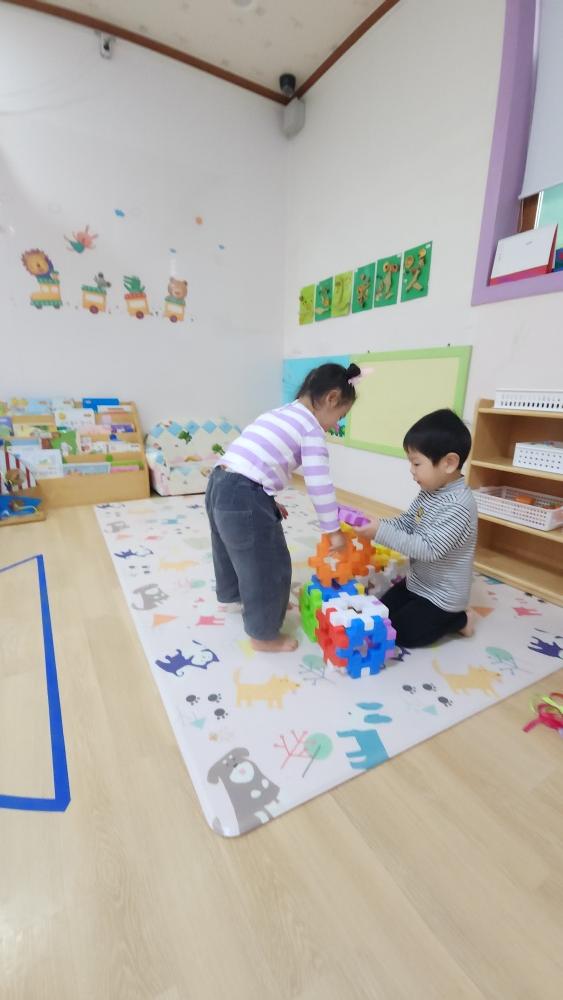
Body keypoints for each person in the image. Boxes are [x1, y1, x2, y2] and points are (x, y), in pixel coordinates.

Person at [205, 362, 361, 652]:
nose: (335, 426)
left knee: (227, 547)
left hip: (220, 482)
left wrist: (267, 499)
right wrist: (333, 531)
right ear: (331, 398)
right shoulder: (311, 429)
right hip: (244, 492)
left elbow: (255, 461)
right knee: (268, 564)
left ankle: (235, 597)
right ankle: (264, 634)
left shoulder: (279, 413)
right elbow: (319, 484)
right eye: (340, 417)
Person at [358, 408, 477, 648]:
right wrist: (378, 524)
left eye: (416, 463)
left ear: (449, 463)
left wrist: (381, 532)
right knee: (380, 613)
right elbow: (407, 523)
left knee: (402, 634)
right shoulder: (429, 492)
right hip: (418, 583)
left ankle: (460, 619)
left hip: (442, 597)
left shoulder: (459, 506)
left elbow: (428, 549)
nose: (411, 470)